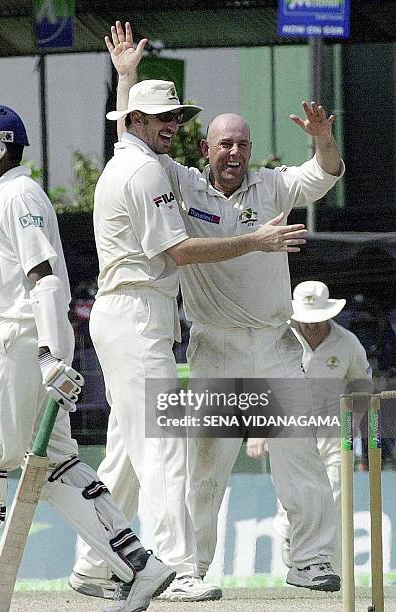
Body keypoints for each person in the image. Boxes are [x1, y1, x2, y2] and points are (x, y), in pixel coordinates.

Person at [100, 22, 345, 593]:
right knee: (201, 473)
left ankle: (309, 562)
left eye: (243, 144)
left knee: (301, 459)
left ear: (252, 151)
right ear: (205, 149)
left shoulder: (272, 187)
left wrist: (323, 140)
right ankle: (189, 569)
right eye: (224, 144)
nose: (235, 152)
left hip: (275, 347)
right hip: (213, 349)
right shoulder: (179, 184)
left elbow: (324, 175)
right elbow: (128, 142)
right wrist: (127, 78)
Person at [0, 104, 176, 612]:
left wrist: (51, 355)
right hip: (13, 343)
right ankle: (140, 568)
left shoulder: (18, 195)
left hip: (22, 345)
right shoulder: (6, 197)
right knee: (58, 465)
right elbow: (16, 296)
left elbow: (45, 279)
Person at [247, 280, 372, 573]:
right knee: (292, 501)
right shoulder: (279, 338)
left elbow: (362, 386)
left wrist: (352, 425)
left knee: (336, 502)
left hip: (333, 434)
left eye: (318, 320)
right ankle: (296, 556)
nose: (312, 327)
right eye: (307, 320)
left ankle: (332, 573)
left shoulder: (347, 343)